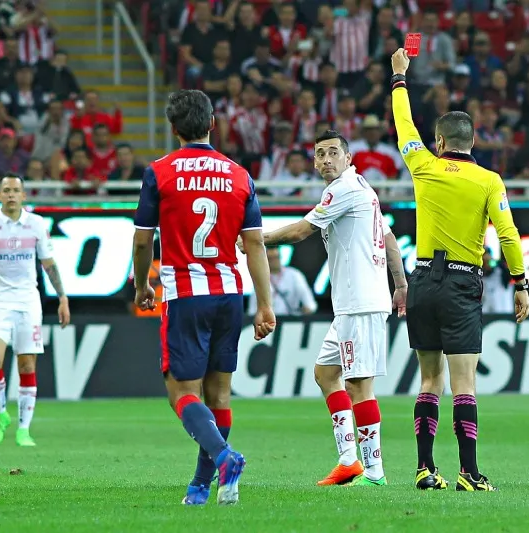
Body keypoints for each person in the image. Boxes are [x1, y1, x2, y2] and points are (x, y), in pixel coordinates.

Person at [390, 48, 529, 492]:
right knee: (463, 381)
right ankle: (469, 472)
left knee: (428, 378)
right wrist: (520, 283)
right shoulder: (489, 180)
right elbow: (508, 235)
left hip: (421, 283)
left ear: (439, 141)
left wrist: (399, 77)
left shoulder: (424, 166)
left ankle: (423, 468)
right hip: (460, 283)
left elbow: (402, 126)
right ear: (473, 142)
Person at [131, 89, 275, 506]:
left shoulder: (159, 173)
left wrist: (143, 286)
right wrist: (265, 304)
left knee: (182, 393)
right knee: (221, 395)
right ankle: (201, 486)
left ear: (173, 128)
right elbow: (254, 246)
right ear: (213, 124)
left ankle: (224, 458)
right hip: (230, 293)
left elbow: (143, 242)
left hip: (185, 293)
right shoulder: (239, 175)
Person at [240, 130, 408, 487]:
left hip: (359, 303)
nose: (326, 159)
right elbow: (389, 237)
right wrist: (401, 284)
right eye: (320, 154)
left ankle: (374, 472)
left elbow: (302, 232)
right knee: (325, 374)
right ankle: (349, 460)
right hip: (352, 304)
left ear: (349, 159)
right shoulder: (363, 187)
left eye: (334, 152)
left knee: (359, 384)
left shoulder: (344, 188)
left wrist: (256, 238)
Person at [0, 174, 71, 447]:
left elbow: (49, 264)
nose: (11, 194)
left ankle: (24, 429)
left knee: (26, 364)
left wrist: (62, 297)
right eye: (6, 190)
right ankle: (0, 414)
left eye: (15, 190)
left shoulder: (36, 224)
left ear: (24, 196)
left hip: (27, 302)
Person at [246, 247, 317, 316]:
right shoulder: (261, 278)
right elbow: (253, 308)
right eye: (270, 259)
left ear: (280, 257)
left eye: (276, 257)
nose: (274, 261)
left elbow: (309, 303)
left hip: (290, 320)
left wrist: (305, 310)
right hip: (269, 322)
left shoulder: (294, 275)